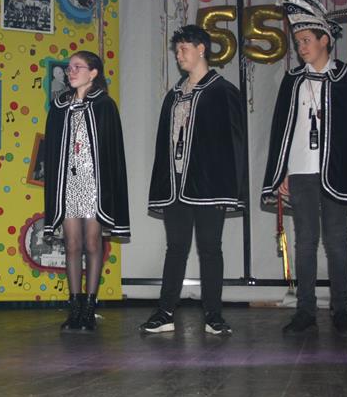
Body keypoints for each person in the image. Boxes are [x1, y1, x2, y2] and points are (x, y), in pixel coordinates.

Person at [262, 0, 347, 338]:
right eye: (298, 41)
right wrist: (281, 171)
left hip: (335, 173)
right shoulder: (293, 80)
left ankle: (341, 311)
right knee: (304, 240)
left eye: (306, 40)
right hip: (301, 171)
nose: (301, 47)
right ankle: (305, 311)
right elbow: (282, 130)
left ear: (325, 40)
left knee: (337, 240)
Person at [140, 25, 245, 337]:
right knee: (176, 247)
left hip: (209, 186)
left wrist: (229, 187)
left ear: (202, 49)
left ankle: (214, 314)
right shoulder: (174, 95)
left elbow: (234, 143)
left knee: (210, 248)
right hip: (176, 186)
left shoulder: (223, 91)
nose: (179, 55)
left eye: (184, 49)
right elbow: (164, 144)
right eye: (176, 50)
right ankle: (165, 311)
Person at [44, 50, 130, 332]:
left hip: (94, 184)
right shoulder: (59, 106)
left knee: (93, 243)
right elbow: (52, 151)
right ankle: (75, 307)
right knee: (71, 244)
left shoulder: (105, 106)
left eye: (77, 67)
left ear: (93, 73)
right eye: (69, 68)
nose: (71, 72)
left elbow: (112, 152)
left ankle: (90, 308)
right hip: (69, 183)